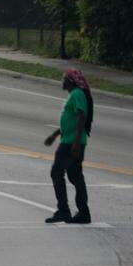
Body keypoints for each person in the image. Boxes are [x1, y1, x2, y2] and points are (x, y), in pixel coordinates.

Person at [43, 68, 93, 224]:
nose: (62, 81)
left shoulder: (77, 94)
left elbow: (81, 116)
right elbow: (70, 121)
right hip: (71, 140)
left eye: (64, 79)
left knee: (56, 172)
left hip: (71, 143)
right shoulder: (75, 94)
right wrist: (55, 135)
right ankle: (83, 213)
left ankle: (64, 211)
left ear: (71, 81)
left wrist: (76, 142)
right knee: (75, 176)